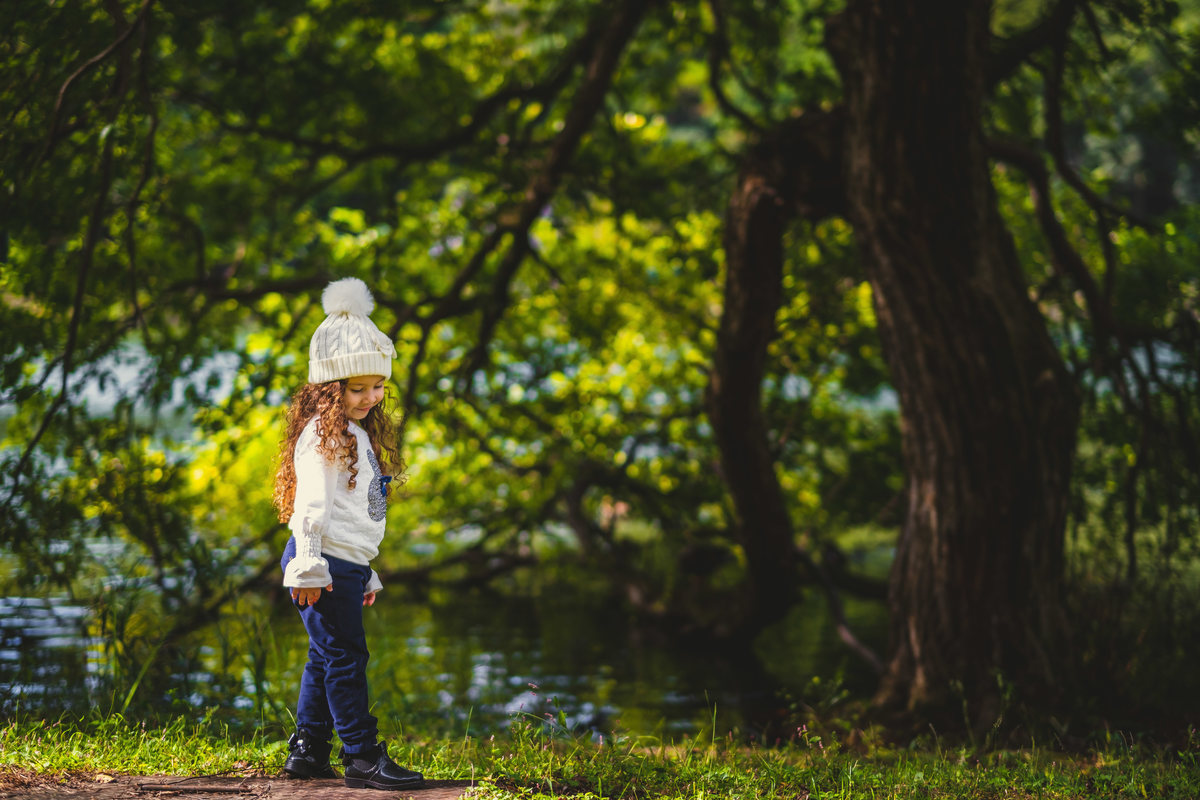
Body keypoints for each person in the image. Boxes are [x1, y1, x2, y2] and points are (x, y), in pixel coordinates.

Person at [271, 277, 424, 790]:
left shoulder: (355, 433)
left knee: (325, 656)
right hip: (321, 560)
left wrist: (366, 570)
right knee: (345, 657)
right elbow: (312, 506)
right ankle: (361, 756)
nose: (371, 397)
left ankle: (309, 750)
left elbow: (355, 513)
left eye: (377, 386)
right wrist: (309, 563)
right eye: (357, 389)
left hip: (343, 563)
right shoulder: (324, 434)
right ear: (328, 388)